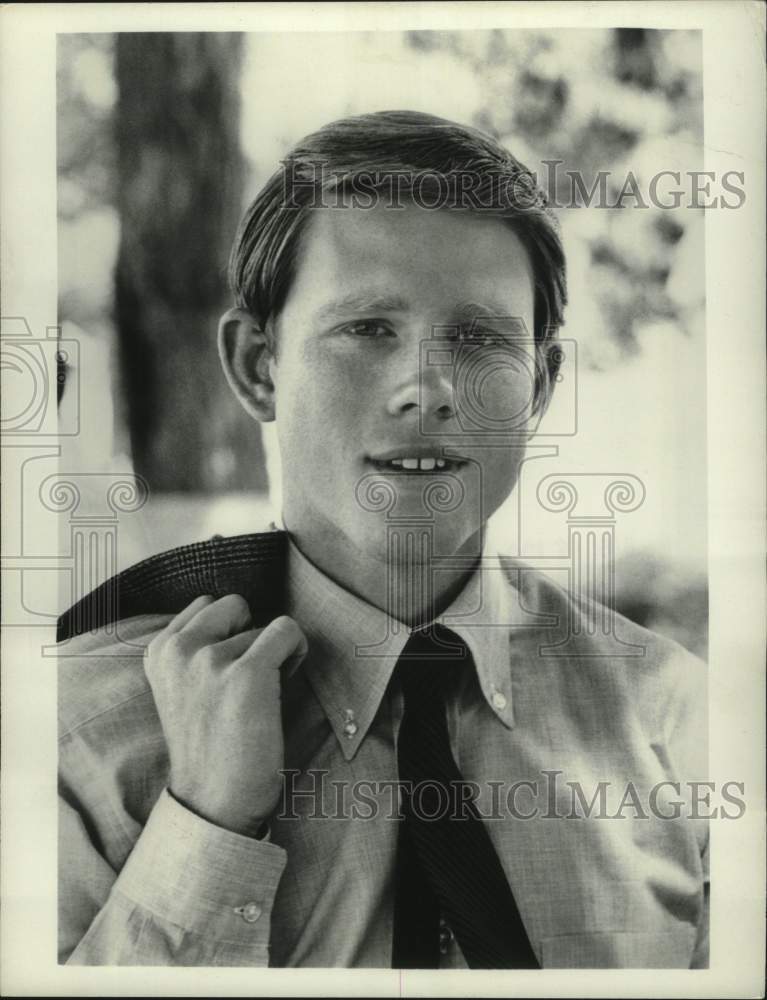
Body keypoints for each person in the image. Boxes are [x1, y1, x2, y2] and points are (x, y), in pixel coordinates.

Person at [58, 110, 708, 968]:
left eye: (478, 338)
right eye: (368, 328)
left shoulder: (680, 721)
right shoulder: (74, 738)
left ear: (541, 385)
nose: (427, 389)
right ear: (259, 365)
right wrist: (206, 826)